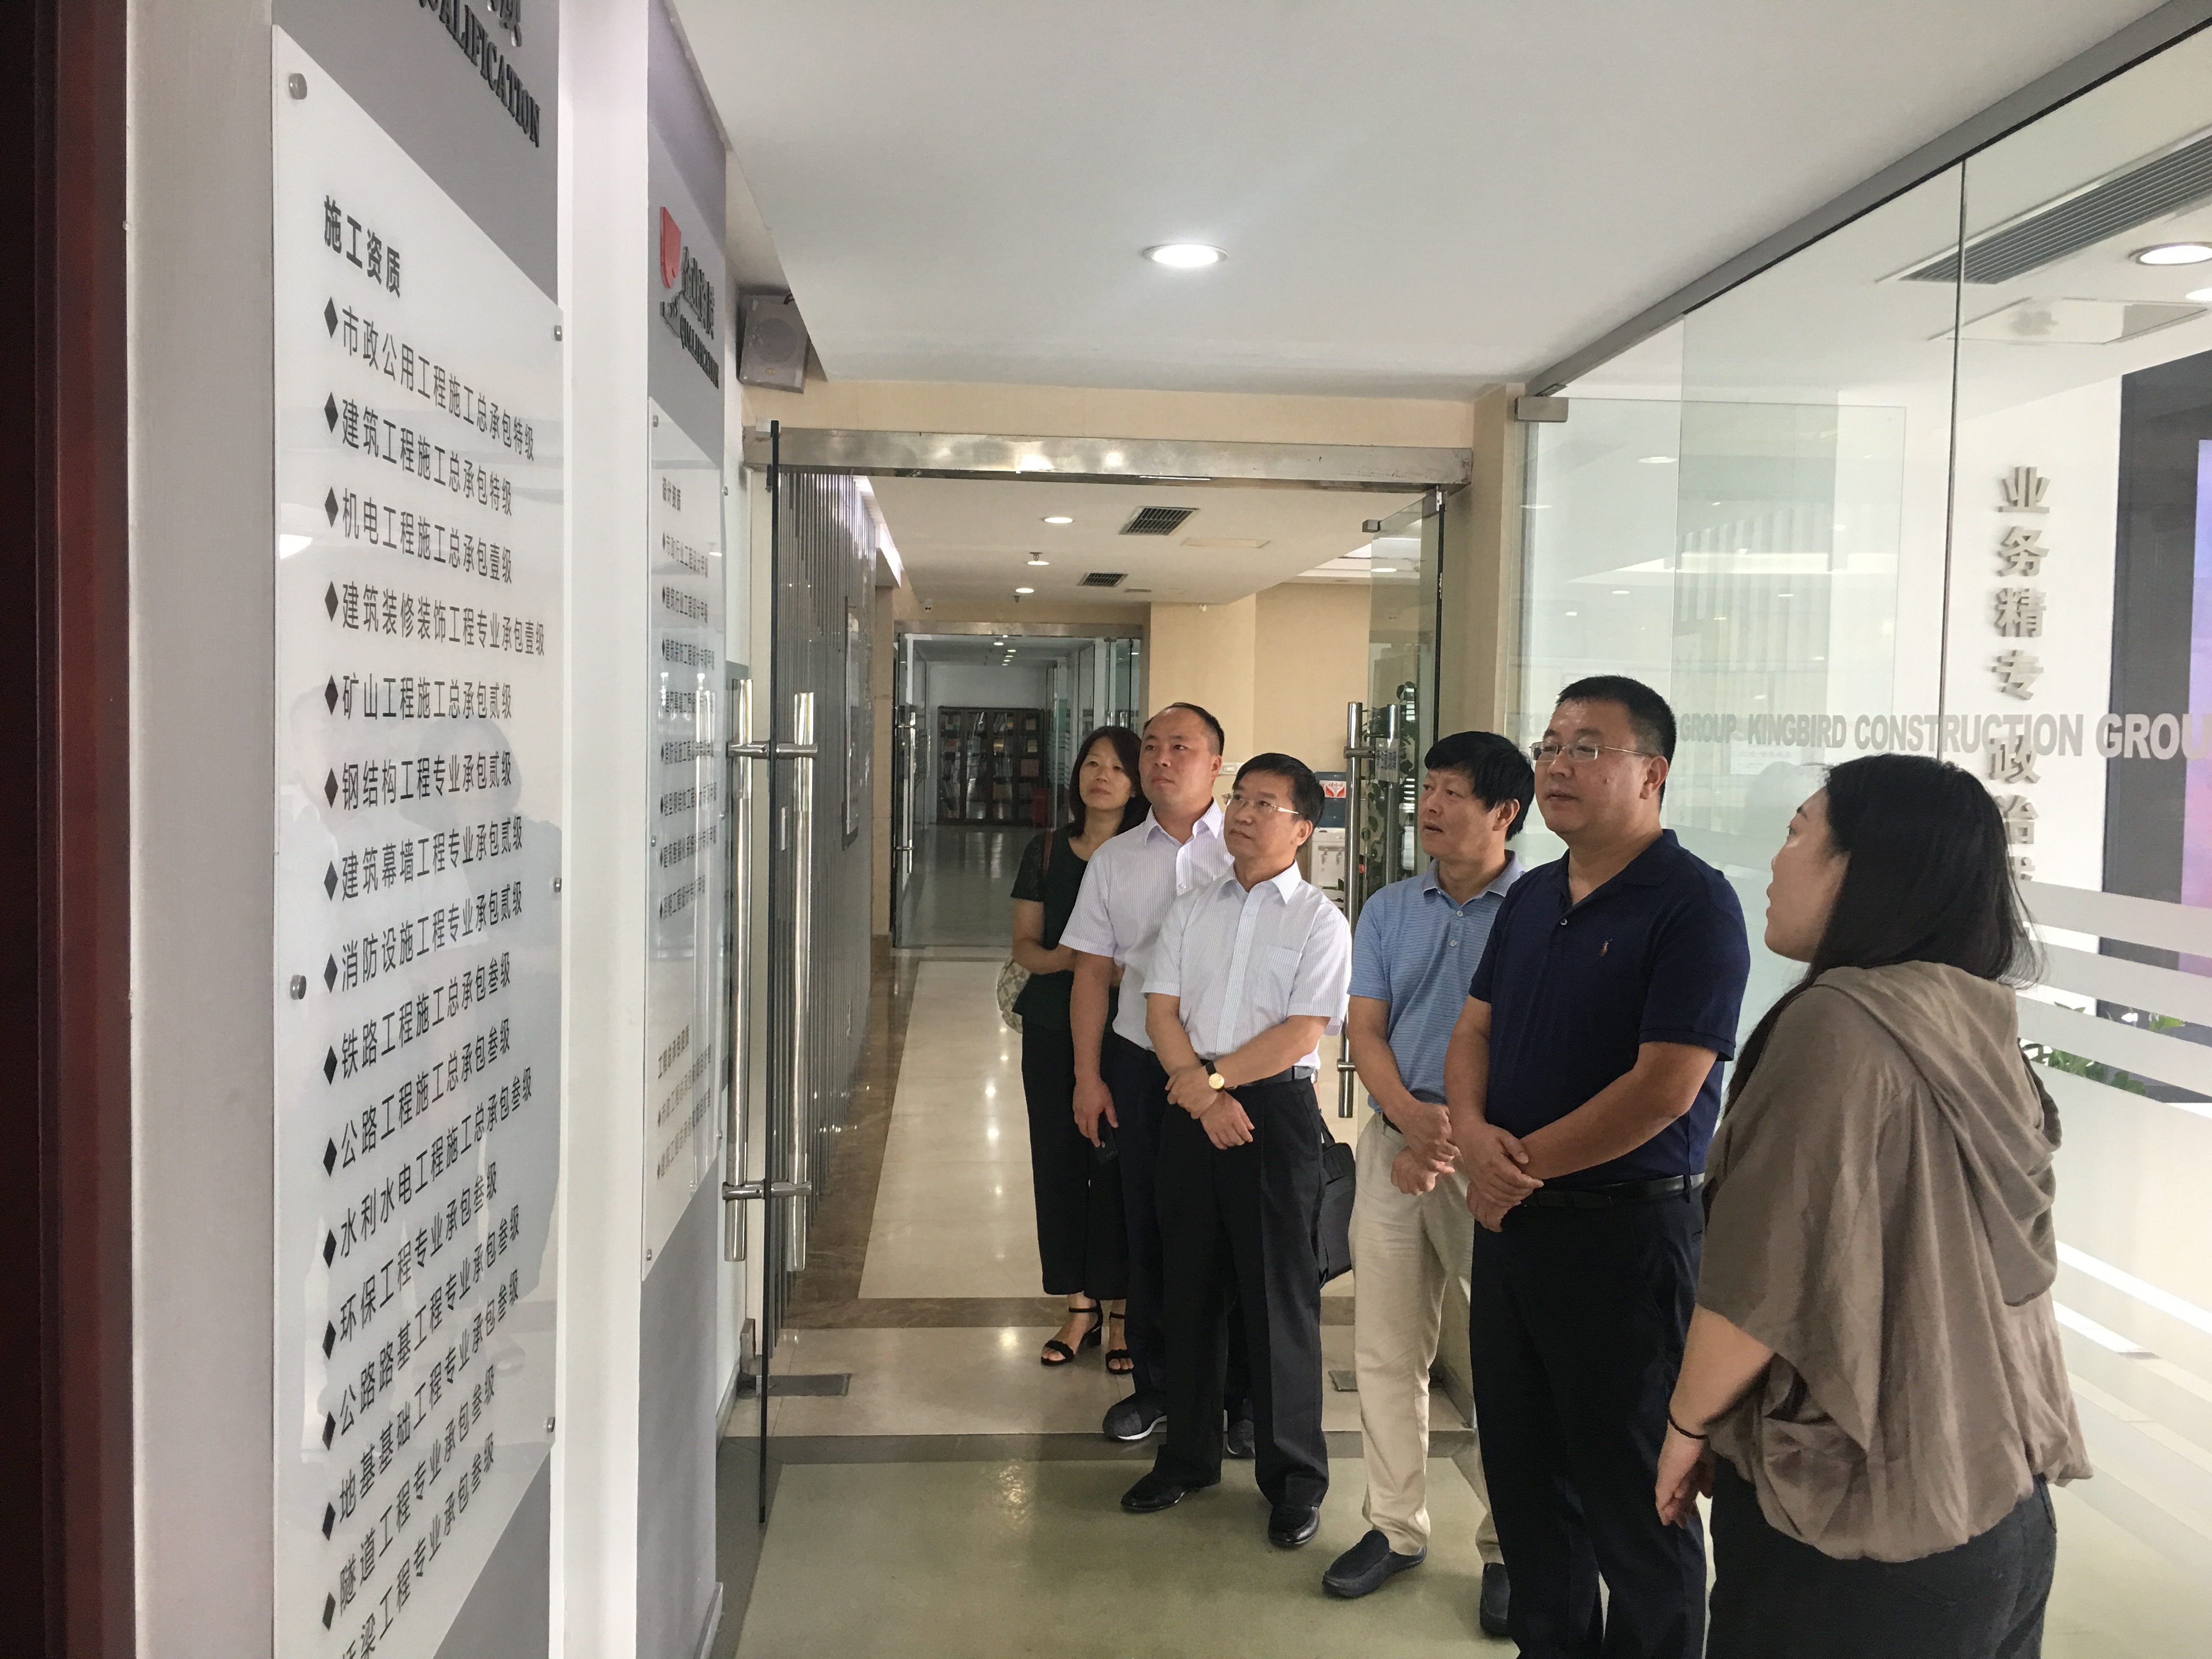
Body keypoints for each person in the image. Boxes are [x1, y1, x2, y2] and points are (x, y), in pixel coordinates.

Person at [1655, 755, 2089, 1658]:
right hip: (1996, 1496)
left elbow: (1758, 1285)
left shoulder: (1836, 1025)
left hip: (1860, 1519)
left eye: (1797, 832)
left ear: (1866, 867)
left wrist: (1687, 1424)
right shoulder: (1974, 1016)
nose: (1775, 860)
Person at [1444, 675, 1750, 1659]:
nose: (1557, 765)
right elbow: (1474, 1028)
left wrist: (1515, 1165)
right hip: (1514, 1231)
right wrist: (1470, 1133)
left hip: (1626, 1238)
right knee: (1528, 1488)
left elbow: (1665, 1087)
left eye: (1586, 746)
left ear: (1651, 773)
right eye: (1549, 745)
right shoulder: (1533, 894)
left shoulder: (1694, 903)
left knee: (1636, 1501)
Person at [1323, 731, 1532, 1631]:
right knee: (1385, 1346)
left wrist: (1454, 1134)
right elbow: (1364, 1028)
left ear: (1504, 812)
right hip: (1395, 1141)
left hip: (1495, 1159)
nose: (1431, 806)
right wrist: (1410, 1118)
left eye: (1453, 792)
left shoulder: (1540, 911)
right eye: (1430, 788)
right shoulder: (1388, 907)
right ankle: (1394, 1525)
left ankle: (1510, 1546)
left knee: (1506, 1363)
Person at [1116, 754, 1352, 1549]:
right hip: (1191, 1106)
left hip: (1273, 1114)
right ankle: (1187, 1458)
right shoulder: (1193, 908)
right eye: (1240, 798)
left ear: (1302, 827)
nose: (1244, 814)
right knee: (1188, 1288)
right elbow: (1160, 1008)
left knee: (1279, 1299)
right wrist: (1201, 1091)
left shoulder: (1320, 920)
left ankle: (1294, 1481)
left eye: (1265, 804)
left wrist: (1215, 1084)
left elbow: (1303, 1030)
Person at [1060, 703, 1249, 1445]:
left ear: (1216, 765)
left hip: (1232, 1069)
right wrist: (1088, 1076)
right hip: (1140, 1066)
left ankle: (1239, 1399)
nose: (1161, 760)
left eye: (1181, 747)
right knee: (1148, 1225)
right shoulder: (1115, 859)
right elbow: (1091, 974)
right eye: (1152, 747)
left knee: (1234, 1231)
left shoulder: (1246, 847)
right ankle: (1158, 1388)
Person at [1008, 726, 1149, 1368]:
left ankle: (1123, 1309)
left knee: (1119, 1163)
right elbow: (1025, 945)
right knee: (1058, 1159)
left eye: (1117, 768)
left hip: (1129, 1029)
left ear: (1136, 784)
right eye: (1093, 764)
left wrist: (1111, 972)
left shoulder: (1145, 854)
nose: (1102, 776)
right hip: (1050, 1026)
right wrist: (1074, 959)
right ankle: (1079, 1306)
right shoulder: (1045, 850)